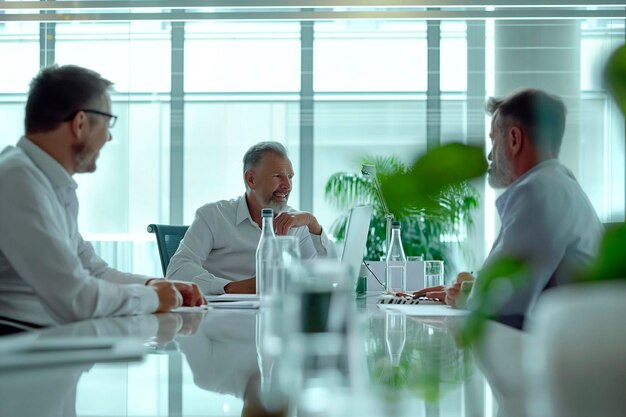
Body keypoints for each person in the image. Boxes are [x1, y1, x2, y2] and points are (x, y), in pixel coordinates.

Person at [0, 65, 204, 336]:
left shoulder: (53, 185)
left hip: (45, 341)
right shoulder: (16, 179)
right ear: (80, 123)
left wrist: (157, 285)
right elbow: (76, 298)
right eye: (107, 124)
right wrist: (153, 298)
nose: (108, 137)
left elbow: (93, 270)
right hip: (20, 349)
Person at [416, 89, 603, 328]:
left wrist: (466, 296)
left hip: (562, 349)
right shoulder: (559, 184)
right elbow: (523, 278)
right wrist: (473, 285)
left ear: (514, 139)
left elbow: (505, 302)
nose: (491, 154)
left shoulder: (538, 192)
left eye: (494, 139)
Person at [166, 141, 336, 294]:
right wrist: (232, 287)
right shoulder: (213, 216)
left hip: (279, 318)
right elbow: (176, 271)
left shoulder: (298, 223)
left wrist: (313, 224)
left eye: (290, 177)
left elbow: (330, 277)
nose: (287, 186)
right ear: (251, 179)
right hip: (220, 321)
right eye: (278, 176)